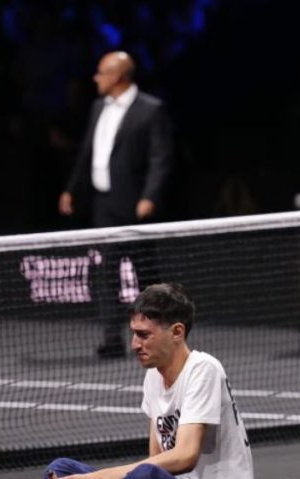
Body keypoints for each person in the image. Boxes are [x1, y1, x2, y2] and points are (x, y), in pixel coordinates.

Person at [23, 283, 256, 479]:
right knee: (61, 471)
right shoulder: (153, 378)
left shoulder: (203, 369)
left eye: (144, 335)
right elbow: (157, 459)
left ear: (177, 332)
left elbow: (184, 457)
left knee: (143, 475)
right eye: (134, 334)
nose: (135, 344)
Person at [58, 51, 174, 359]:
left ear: (119, 76)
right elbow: (88, 153)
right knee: (105, 274)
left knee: (146, 278)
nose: (95, 78)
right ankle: (112, 338)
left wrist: (150, 196)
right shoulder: (98, 108)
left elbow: (160, 159)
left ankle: (157, 337)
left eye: (101, 73)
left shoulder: (150, 110)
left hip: (136, 208)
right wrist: (72, 189)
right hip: (104, 206)